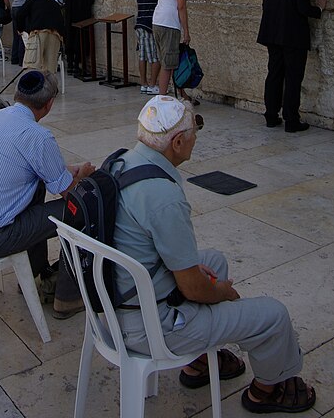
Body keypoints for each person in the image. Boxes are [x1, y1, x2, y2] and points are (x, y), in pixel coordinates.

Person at [112, 95, 316, 414]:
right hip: (151, 326)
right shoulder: (162, 196)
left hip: (118, 307)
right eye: (197, 128)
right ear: (178, 142)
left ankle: (198, 363)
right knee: (272, 314)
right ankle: (268, 390)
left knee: (214, 261)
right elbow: (193, 288)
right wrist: (220, 293)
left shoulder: (121, 162)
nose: (197, 137)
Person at [0, 70, 95, 319]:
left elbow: (42, 171)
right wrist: (83, 175)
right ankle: (67, 295)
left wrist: (67, 171)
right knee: (83, 208)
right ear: (50, 104)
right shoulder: (37, 136)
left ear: (18, 95)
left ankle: (33, 275)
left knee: (38, 184)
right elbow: (69, 192)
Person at [257, 0, 327, 133]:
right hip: (293, 38)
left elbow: (266, 5)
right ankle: (291, 120)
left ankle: (271, 116)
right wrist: (319, 9)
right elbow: (302, 8)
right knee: (293, 79)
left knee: (274, 75)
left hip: (273, 36)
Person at [152, 0, 223, 97]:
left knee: (168, 61)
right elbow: (181, 7)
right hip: (169, 25)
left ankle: (181, 94)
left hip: (158, 22)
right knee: (168, 65)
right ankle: (162, 99)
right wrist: (186, 32)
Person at [16, 0, 65, 74]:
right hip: (56, 34)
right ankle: (49, 87)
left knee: (31, 64)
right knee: (50, 68)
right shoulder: (54, 3)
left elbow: (20, 14)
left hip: (39, 32)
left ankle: (32, 87)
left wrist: (20, 29)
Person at [135, 0, 165, 94]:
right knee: (155, 57)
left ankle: (143, 84)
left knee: (142, 56)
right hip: (149, 25)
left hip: (140, 24)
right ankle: (152, 85)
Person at [64, 0, 95, 75]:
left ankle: (70, 65)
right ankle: (77, 65)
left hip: (70, 17)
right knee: (80, 40)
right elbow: (91, 0)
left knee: (70, 38)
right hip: (83, 18)